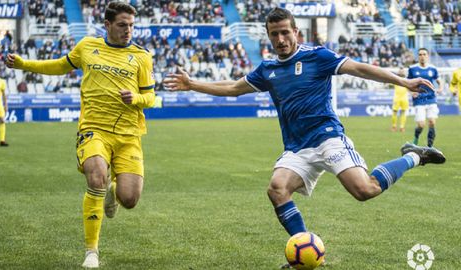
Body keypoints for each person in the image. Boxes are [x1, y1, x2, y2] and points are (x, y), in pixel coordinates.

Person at [163, 7, 446, 264]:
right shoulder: (268, 70)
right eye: (274, 34)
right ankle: (306, 251)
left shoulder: (317, 56)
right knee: (277, 189)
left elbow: (360, 68)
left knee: (365, 190)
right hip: (297, 147)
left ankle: (414, 156)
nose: (281, 39)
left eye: (285, 32)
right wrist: (192, 84)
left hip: (328, 137)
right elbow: (234, 87)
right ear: (268, 36)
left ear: (295, 31)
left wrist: (402, 80)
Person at [6, 2, 155, 268]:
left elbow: (152, 97)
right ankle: (92, 252)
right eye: (122, 25)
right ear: (107, 25)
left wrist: (137, 98)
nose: (128, 30)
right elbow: (60, 65)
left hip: (128, 135)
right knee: (96, 175)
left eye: (131, 25)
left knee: (130, 199)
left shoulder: (142, 56)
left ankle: (114, 190)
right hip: (93, 129)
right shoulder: (87, 47)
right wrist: (24, 64)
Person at [407, 48, 443, 147]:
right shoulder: (412, 69)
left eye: (424, 54)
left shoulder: (433, 69)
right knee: (421, 125)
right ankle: (416, 138)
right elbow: (407, 83)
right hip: (419, 99)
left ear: (427, 56)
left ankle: (430, 146)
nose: (422, 56)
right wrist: (411, 92)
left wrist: (440, 88)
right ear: (418, 56)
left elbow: (439, 81)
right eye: (420, 54)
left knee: (432, 122)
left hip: (431, 98)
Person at [391, 67, 410, 132]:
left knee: (403, 112)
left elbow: (410, 88)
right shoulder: (395, 79)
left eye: (402, 71)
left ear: (404, 72)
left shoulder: (407, 79)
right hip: (397, 98)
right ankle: (394, 126)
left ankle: (402, 127)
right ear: (398, 72)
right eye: (400, 71)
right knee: (395, 112)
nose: (401, 72)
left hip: (404, 98)